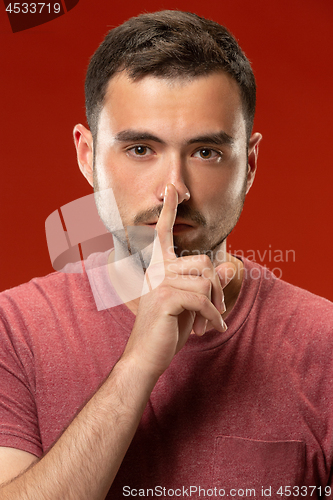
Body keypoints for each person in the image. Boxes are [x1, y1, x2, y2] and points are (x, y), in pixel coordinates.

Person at [0, 9, 332, 499]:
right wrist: (137, 367)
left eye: (206, 152)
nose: (173, 188)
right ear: (86, 156)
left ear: (251, 164)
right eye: (140, 149)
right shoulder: (13, 331)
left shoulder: (322, 342)